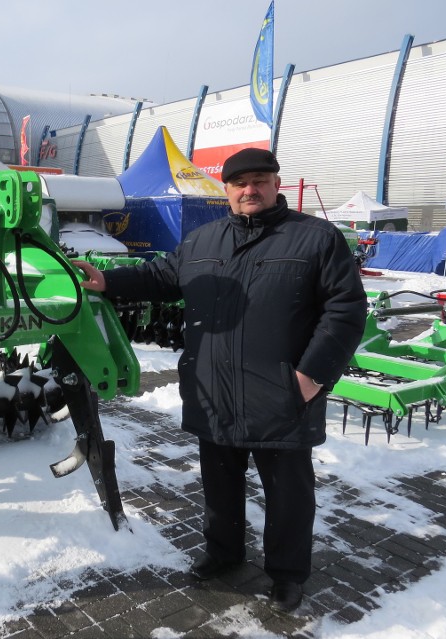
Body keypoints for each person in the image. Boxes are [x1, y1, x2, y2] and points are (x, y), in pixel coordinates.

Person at [74, 148, 366, 613]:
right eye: (239, 183)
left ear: (276, 184)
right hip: (214, 390)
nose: (249, 190)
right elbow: (160, 276)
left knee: (289, 494)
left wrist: (309, 378)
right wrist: (108, 281)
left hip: (282, 394)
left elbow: (347, 312)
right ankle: (223, 553)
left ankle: (288, 575)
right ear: (226, 190)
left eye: (259, 180)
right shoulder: (204, 238)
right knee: (219, 483)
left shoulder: (316, 239)